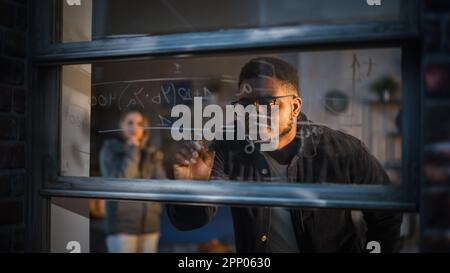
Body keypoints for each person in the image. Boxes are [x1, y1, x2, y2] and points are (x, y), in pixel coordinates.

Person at [167, 57, 403, 253]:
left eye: (268, 102)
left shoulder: (341, 149)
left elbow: (386, 214)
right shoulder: (229, 150)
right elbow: (190, 222)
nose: (256, 112)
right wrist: (193, 188)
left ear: (295, 106)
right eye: (246, 104)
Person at [99, 109, 166, 253]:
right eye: (130, 122)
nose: (134, 127)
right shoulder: (110, 150)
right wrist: (132, 149)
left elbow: (162, 186)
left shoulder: (151, 153)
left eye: (140, 123)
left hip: (150, 226)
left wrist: (155, 158)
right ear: (121, 125)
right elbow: (123, 181)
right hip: (122, 228)